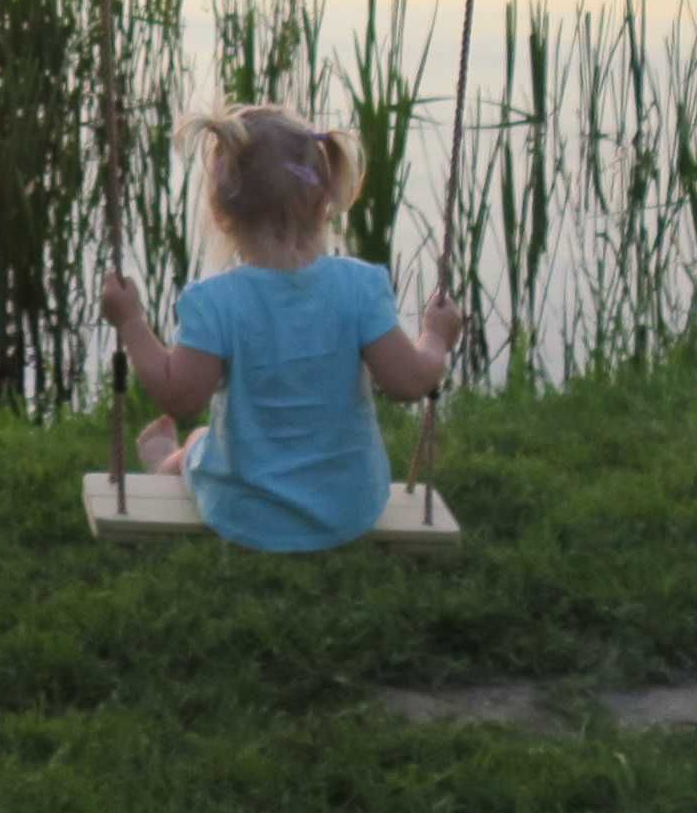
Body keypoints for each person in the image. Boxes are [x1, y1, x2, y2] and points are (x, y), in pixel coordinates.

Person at [94, 101, 463, 552]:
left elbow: (180, 395)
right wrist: (436, 337)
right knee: (207, 441)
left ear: (221, 214)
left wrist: (131, 322)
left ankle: (164, 461)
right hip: (349, 505)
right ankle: (174, 456)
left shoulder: (217, 303)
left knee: (200, 442)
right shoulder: (360, 289)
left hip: (244, 509)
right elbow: (410, 382)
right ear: (324, 200)